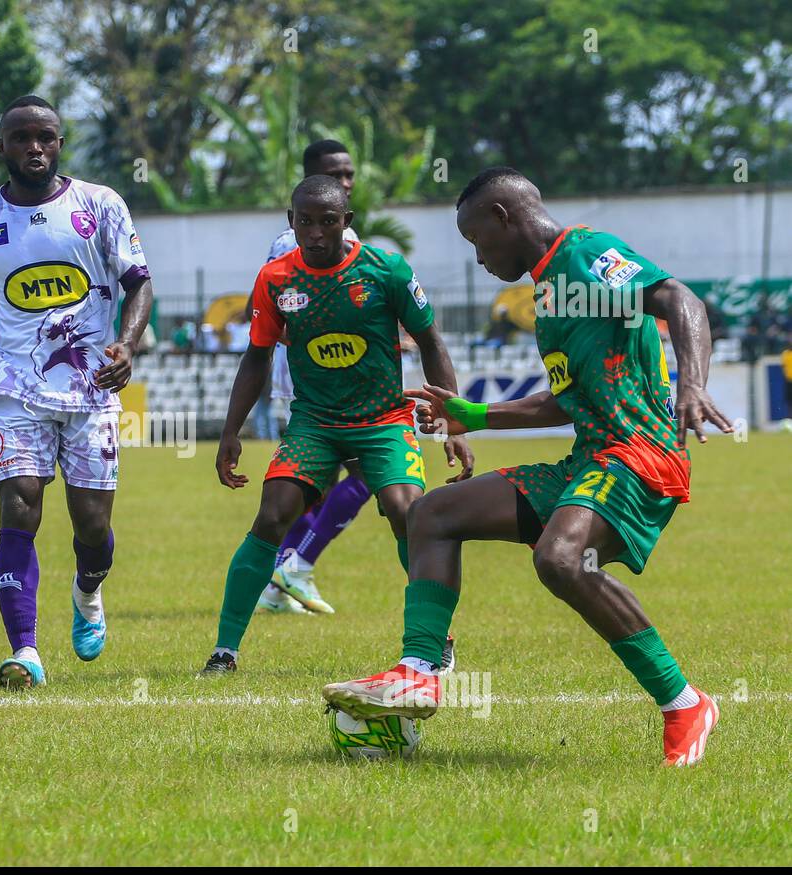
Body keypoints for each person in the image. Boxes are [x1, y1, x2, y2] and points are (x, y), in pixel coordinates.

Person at [323, 166, 731, 766]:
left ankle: (684, 703)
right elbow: (561, 400)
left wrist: (692, 385)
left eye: (476, 241)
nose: (480, 259)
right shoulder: (549, 293)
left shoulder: (586, 253)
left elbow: (678, 297)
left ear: (502, 217)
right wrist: (472, 414)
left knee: (560, 559)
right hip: (590, 460)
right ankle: (418, 673)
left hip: (641, 455)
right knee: (432, 514)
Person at [201, 174, 472, 675]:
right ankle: (224, 651)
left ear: (346, 223)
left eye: (328, 222)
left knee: (406, 510)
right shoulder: (277, 279)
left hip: (384, 419)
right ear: (292, 222)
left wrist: (453, 425)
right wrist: (230, 430)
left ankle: (438, 638)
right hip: (315, 423)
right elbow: (256, 357)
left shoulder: (385, 269)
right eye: (306, 222)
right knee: (272, 512)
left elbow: (431, 342)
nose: (317, 233)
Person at [0, 95, 153, 688]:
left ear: (60, 144)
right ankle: (25, 650)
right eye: (21, 137)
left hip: (91, 388)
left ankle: (88, 590)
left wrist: (128, 344)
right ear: (1, 146)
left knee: (91, 526)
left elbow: (138, 282)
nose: (35, 147)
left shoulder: (101, 205)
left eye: (47, 137)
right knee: (18, 507)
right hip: (15, 386)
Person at [256, 140, 380, 618]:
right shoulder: (295, 241)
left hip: (337, 380)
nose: (346, 181)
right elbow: (268, 314)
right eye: (335, 174)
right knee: (369, 474)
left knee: (318, 488)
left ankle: (280, 584)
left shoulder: (342, 234)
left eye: (349, 174)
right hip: (318, 384)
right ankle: (297, 566)